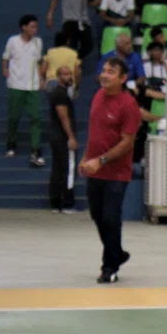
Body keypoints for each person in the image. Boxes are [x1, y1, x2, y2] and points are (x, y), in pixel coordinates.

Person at [79, 57, 141, 283]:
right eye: (103, 70)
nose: (104, 75)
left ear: (123, 78)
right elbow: (94, 133)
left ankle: (109, 267)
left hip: (116, 173)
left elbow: (127, 142)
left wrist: (101, 160)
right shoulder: (97, 97)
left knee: (110, 218)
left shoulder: (128, 105)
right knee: (97, 216)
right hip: (95, 169)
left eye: (110, 72)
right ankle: (118, 253)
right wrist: (86, 157)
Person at [3, 14, 47, 166]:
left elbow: (40, 62)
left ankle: (36, 150)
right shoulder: (12, 41)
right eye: (32, 26)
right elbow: (5, 57)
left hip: (33, 86)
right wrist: (5, 69)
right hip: (16, 84)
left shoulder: (38, 42)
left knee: (36, 117)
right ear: (24, 27)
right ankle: (10, 144)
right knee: (14, 117)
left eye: (36, 27)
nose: (35, 29)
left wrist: (41, 78)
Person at [48, 65, 79, 213]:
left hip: (57, 136)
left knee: (58, 169)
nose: (69, 77)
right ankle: (67, 204)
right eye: (65, 74)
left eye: (70, 74)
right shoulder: (60, 94)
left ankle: (55, 203)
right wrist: (71, 137)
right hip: (62, 137)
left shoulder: (61, 93)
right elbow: (63, 116)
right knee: (68, 169)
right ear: (58, 77)